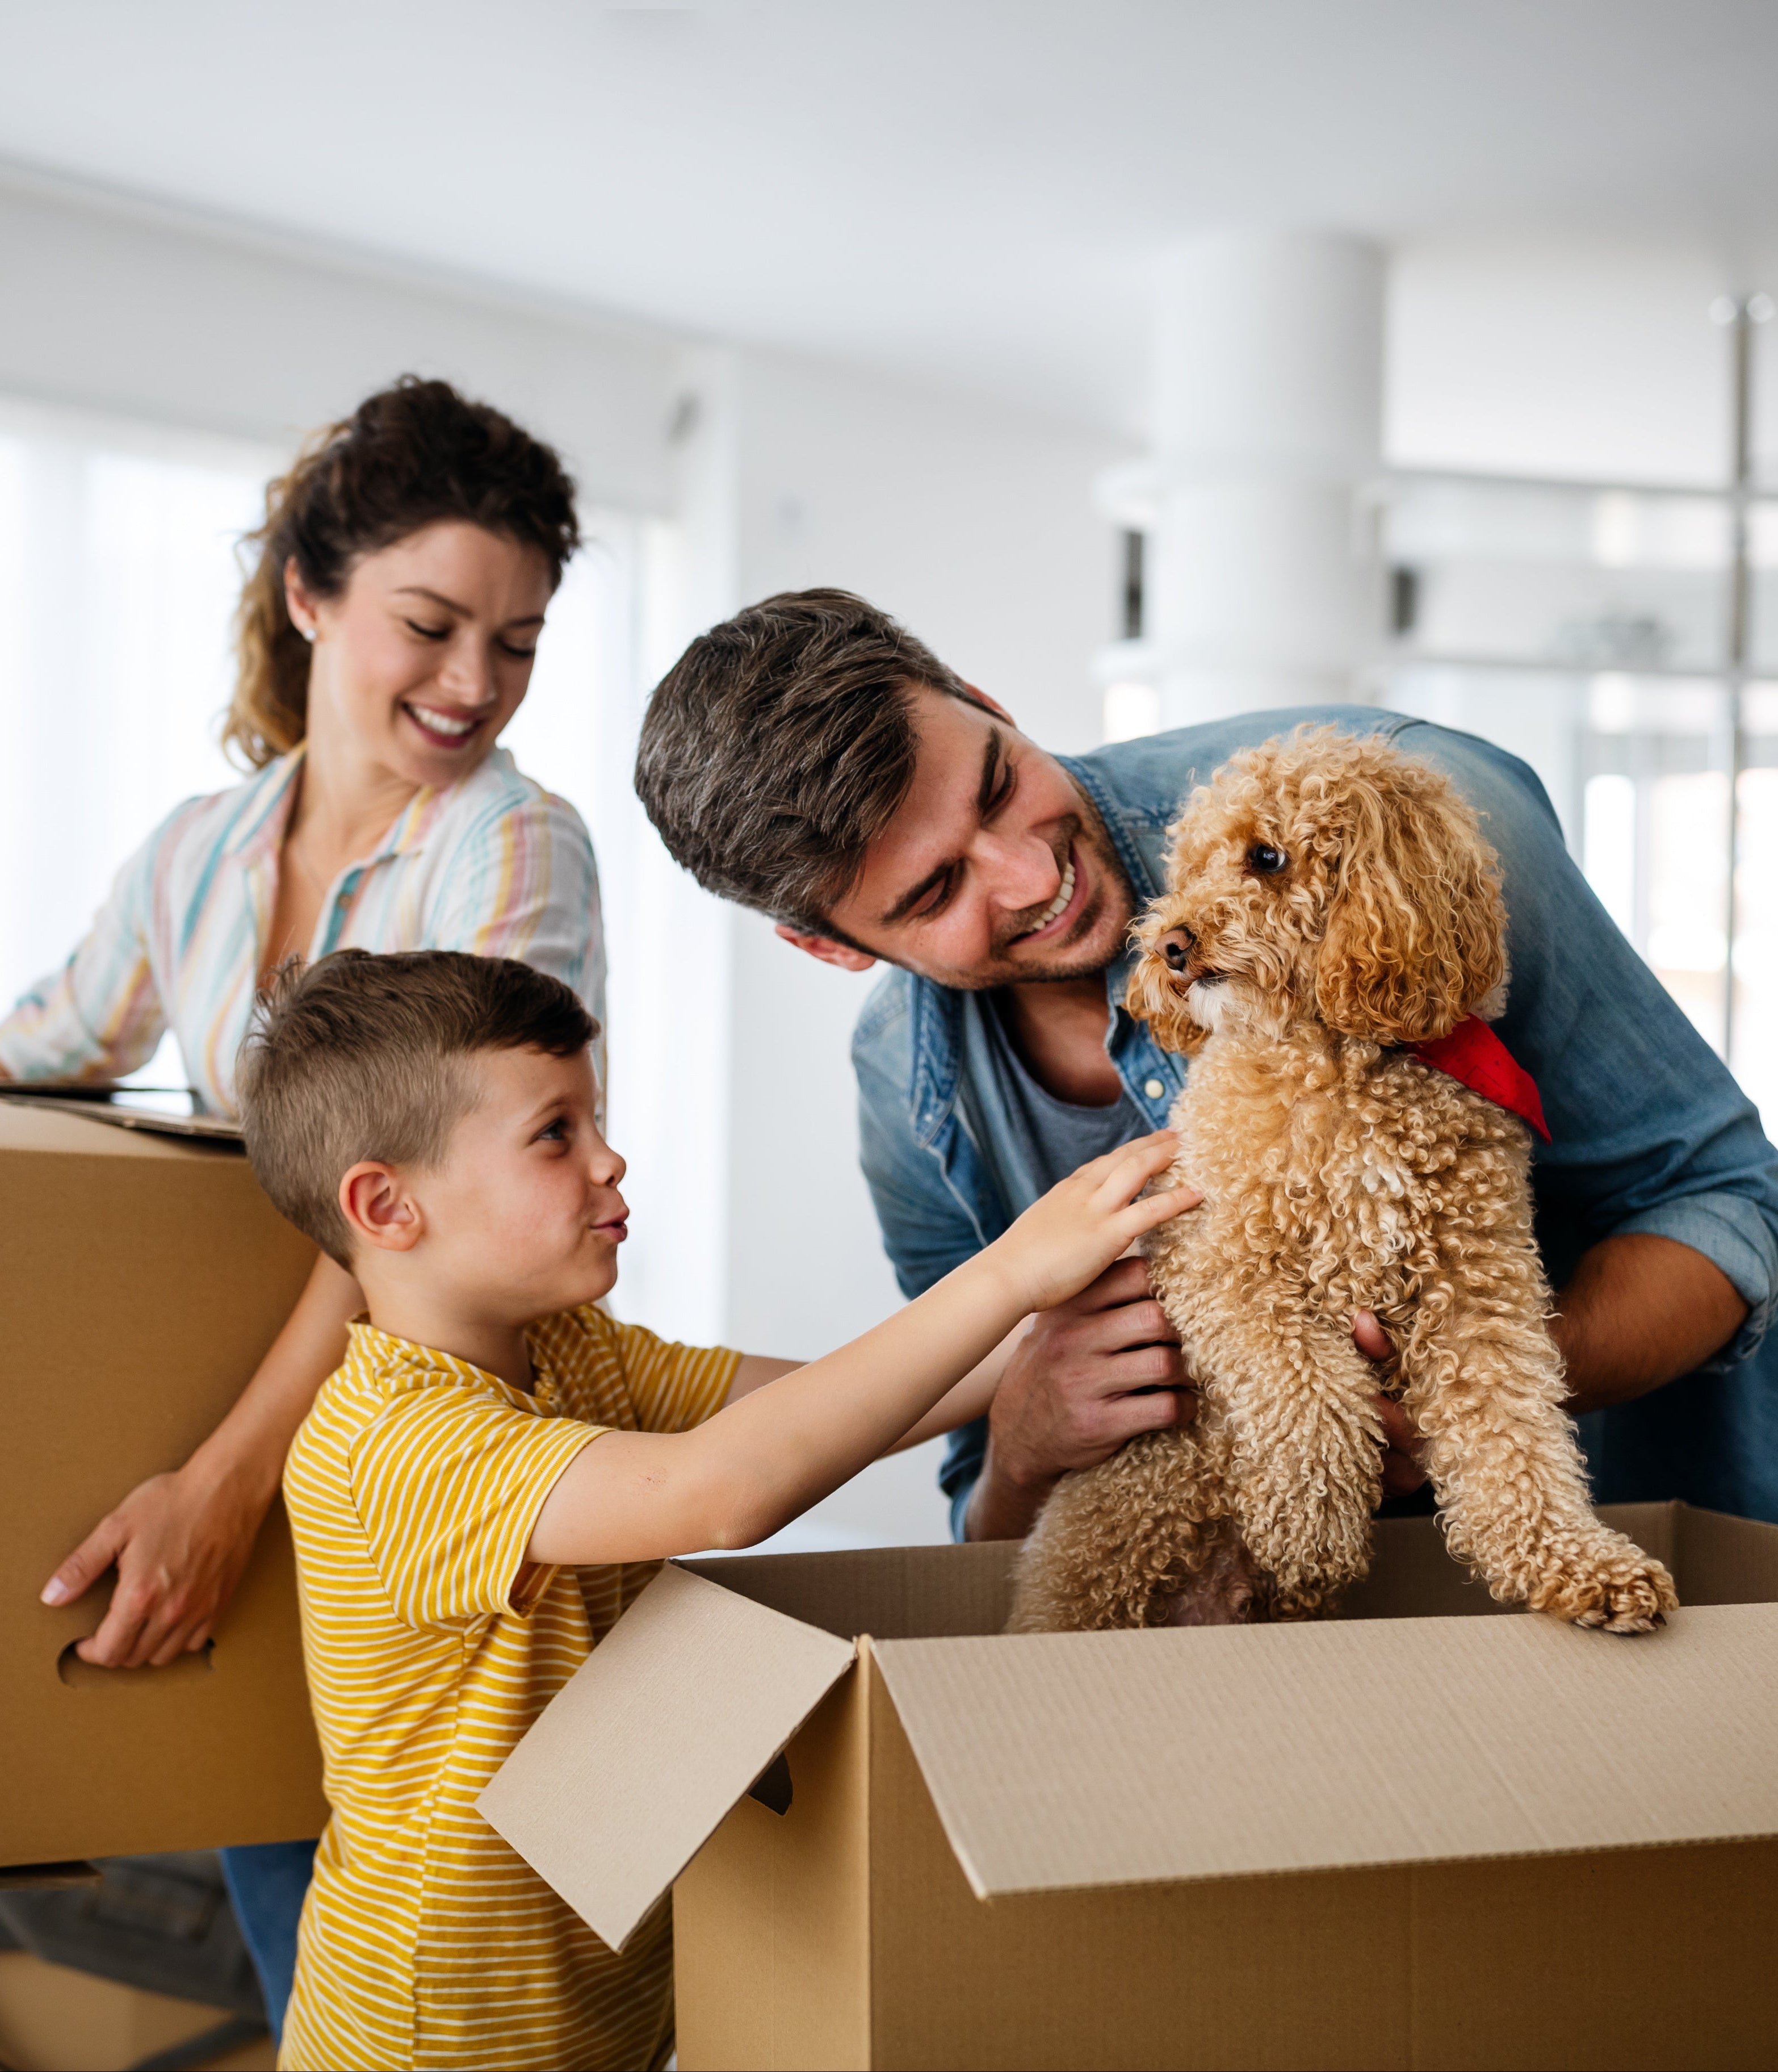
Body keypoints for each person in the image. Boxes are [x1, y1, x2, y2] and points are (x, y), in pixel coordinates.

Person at [635, 588, 1778, 1544]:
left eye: (997, 786)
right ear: (832, 946)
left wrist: (1478, 1391)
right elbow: (981, 1530)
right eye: (938, 891)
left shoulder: (1404, 824)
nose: (1031, 875)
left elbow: (1730, 1203)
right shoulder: (902, 1076)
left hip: (1593, 1572)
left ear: (988, 703)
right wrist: (1026, 1444)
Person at [237, 947, 1188, 2072]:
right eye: (556, 1133)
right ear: (388, 1205)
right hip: (437, 2039)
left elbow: (838, 1408)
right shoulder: (389, 1443)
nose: (610, 1156)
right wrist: (1010, 1273)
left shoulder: (568, 1350)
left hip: (613, 1995)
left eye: (597, 1119)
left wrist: (1092, 1320)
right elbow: (725, 1490)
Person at [0, 376, 605, 2035]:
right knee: (314, 1959)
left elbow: (435, 1206)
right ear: (309, 594)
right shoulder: (200, 851)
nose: (474, 683)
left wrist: (218, 1486)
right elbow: (47, 1046)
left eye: (520, 641)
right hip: (275, 1439)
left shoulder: (510, 848)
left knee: (458, 1966)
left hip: (438, 1453)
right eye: (431, 623)